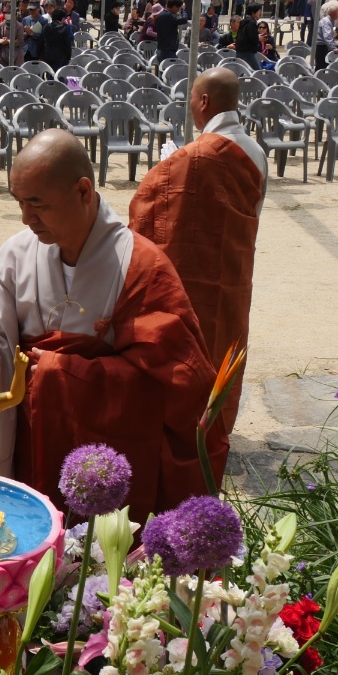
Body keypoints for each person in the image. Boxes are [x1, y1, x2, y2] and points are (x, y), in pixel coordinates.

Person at [0, 129, 218, 520]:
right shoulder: (16, 254)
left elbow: (175, 382)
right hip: (29, 437)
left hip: (103, 452)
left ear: (83, 191)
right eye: (19, 202)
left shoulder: (142, 266)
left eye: (37, 204)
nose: (26, 218)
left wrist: (64, 373)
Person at [129, 68, 264, 446]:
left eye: (191, 98)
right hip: (235, 272)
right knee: (226, 341)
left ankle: (182, 431)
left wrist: (168, 170)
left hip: (189, 275)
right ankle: (216, 430)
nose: (189, 105)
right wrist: (176, 166)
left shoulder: (196, 155)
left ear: (204, 101)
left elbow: (152, 205)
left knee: (189, 346)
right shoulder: (254, 152)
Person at [235, 5, 262, 69]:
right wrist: (258, 38)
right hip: (247, 52)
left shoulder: (243, 21)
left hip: (240, 51)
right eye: (259, 11)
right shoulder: (252, 22)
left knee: (242, 70)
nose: (260, 13)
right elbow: (252, 38)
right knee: (257, 71)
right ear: (253, 12)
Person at [315, 5, 338, 70]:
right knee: (321, 67)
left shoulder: (329, 21)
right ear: (333, 13)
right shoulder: (327, 22)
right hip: (321, 46)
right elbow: (327, 36)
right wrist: (334, 48)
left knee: (322, 66)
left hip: (323, 45)